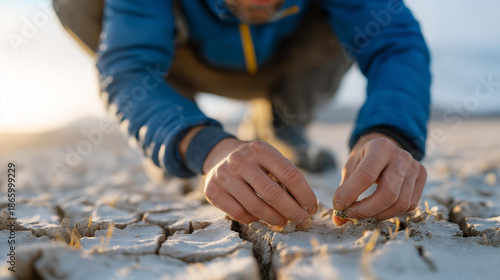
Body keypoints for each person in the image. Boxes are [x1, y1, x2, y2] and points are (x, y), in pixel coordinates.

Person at [53, 0, 430, 229]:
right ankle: (179, 124)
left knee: (367, 21)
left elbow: (396, 44)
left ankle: (281, 121)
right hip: (186, 62)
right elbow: (128, 69)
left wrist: (390, 132)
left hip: (286, 64)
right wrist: (204, 146)